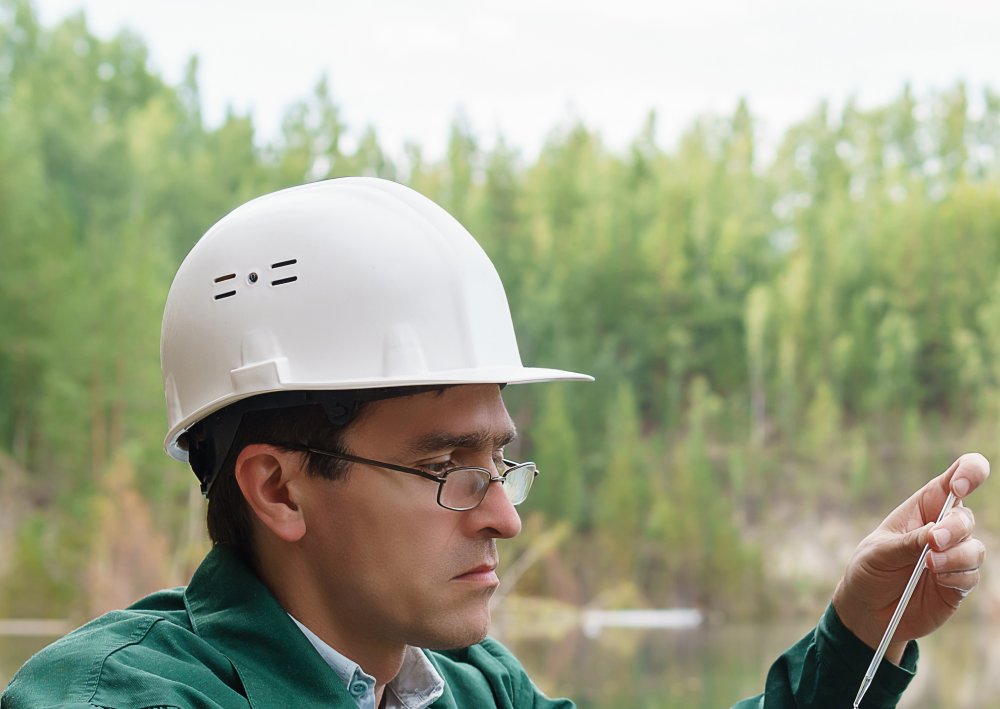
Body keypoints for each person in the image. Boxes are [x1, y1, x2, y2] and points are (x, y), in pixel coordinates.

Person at [2, 178, 988, 709]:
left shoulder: (473, 687)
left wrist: (864, 631)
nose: (505, 516)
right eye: (447, 468)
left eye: (499, 460)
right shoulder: (111, 698)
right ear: (279, 489)